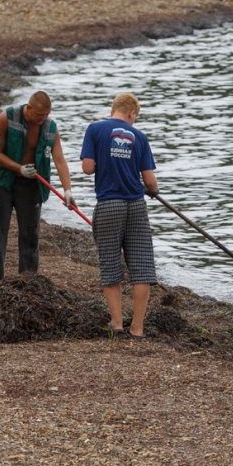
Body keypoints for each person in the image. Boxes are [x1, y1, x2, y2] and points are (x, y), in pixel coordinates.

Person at [81, 93, 159, 338]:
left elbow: (87, 168)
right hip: (136, 205)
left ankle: (116, 324)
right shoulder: (140, 137)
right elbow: (150, 182)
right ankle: (137, 328)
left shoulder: (95, 129)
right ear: (132, 113)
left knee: (111, 263)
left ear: (113, 109)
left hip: (109, 205)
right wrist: (153, 191)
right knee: (141, 266)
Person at [0, 91, 75, 279]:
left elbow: (59, 159)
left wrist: (68, 190)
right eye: (39, 115)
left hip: (30, 184)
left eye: (46, 115)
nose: (43, 119)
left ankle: (28, 281)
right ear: (29, 108)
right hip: (1, 180)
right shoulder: (7, 117)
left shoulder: (50, 127)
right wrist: (19, 167)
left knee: (30, 233)